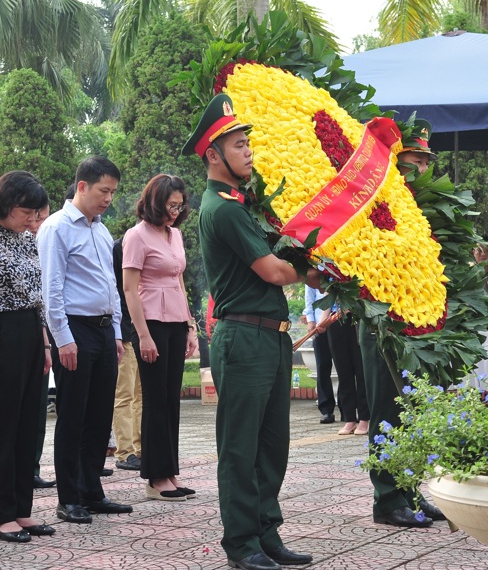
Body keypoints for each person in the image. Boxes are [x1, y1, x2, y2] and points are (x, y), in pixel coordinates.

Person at [184, 93, 323, 570]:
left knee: (272, 445)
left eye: (247, 143)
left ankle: (267, 533)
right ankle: (242, 543)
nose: (248, 152)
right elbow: (274, 272)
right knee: (240, 447)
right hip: (243, 338)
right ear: (213, 155)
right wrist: (308, 266)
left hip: (271, 336)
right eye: (238, 144)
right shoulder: (221, 209)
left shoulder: (244, 204)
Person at [37, 156, 132, 524]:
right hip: (73, 329)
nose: (108, 198)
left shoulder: (101, 230)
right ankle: (69, 497)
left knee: (99, 414)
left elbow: (111, 286)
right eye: (103, 191)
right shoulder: (57, 228)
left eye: (113, 192)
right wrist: (62, 338)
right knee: (73, 415)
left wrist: (118, 333)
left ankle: (92, 490)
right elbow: (51, 289)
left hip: (104, 329)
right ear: (82, 186)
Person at [359, 127, 446, 529]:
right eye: (417, 161)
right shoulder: (376, 200)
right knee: (386, 409)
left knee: (412, 408)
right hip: (383, 320)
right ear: (397, 161)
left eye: (427, 161)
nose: (423, 168)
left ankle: (410, 490)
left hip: (418, 318)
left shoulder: (420, 204)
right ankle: (386, 498)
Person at [0, 171, 56, 543]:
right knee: (2, 428)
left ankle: (23, 510)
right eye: (25, 212)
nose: (32, 220)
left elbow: (36, 297)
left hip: (31, 334)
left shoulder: (25, 239)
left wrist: (46, 344)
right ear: (5, 204)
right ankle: (1, 514)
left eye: (36, 214)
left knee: (28, 425)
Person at [122, 174, 199, 502]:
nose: (175, 211)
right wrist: (143, 336)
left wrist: (190, 325)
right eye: (170, 205)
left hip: (176, 321)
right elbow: (129, 289)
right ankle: (155, 478)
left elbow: (179, 281)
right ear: (155, 202)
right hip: (150, 322)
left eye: (180, 206)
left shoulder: (176, 235)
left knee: (171, 400)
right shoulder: (136, 236)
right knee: (154, 400)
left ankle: (170, 471)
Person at [27, 203, 57, 489]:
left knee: (37, 408)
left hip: (43, 331)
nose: (37, 221)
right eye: (33, 215)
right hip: (17, 334)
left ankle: (32, 466)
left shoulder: (46, 244)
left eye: (42, 215)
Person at [112, 236, 142, 472]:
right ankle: (125, 452)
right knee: (124, 394)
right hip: (124, 332)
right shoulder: (119, 248)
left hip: (144, 332)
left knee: (142, 395)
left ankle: (141, 448)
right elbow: (118, 293)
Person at [320, 303, 370, 437]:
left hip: (358, 319)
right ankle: (350, 419)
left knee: (361, 372)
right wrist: (324, 319)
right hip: (336, 320)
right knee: (344, 373)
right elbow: (328, 292)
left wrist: (352, 307)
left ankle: (364, 418)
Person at [302, 285, 336, 425]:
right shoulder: (314, 267)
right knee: (322, 366)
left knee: (345, 366)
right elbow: (309, 297)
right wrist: (310, 320)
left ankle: (349, 411)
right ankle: (326, 409)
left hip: (337, 319)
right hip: (319, 326)